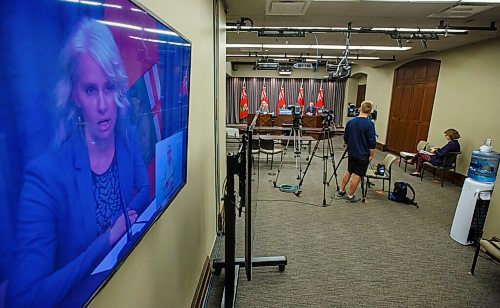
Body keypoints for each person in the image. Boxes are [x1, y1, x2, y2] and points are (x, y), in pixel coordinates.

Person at [8, 18, 150, 307]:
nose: (102, 105)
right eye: (90, 90)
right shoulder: (46, 177)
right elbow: (24, 298)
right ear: (74, 94)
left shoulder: (129, 138)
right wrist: (108, 239)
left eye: (109, 87)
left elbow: (144, 189)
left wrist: (126, 220)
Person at [336, 101, 376, 203]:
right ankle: (350, 196)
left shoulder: (350, 122)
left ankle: (341, 190)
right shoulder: (370, 124)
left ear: (360, 108)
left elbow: (346, 138)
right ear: (370, 111)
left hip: (352, 152)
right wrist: (372, 155)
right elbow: (372, 141)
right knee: (357, 174)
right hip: (363, 154)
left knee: (349, 170)